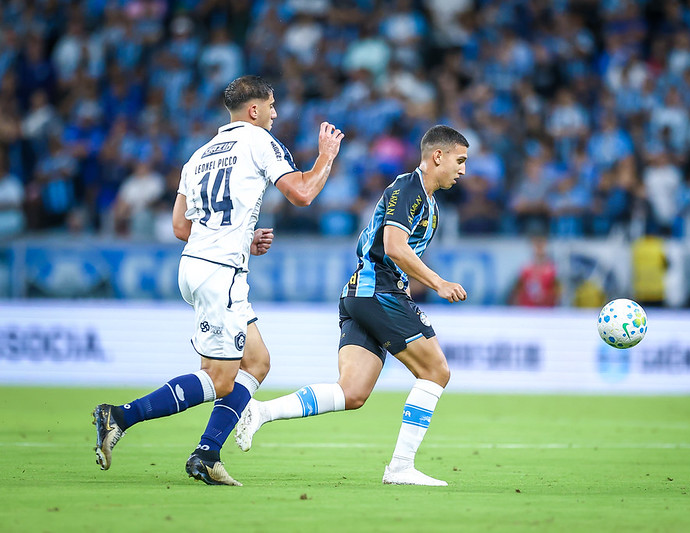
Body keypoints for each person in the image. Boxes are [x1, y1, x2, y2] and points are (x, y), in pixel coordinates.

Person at [92, 75, 344, 486]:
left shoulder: (199, 155)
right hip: (220, 273)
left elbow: (179, 225)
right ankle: (120, 416)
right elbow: (302, 193)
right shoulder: (259, 141)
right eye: (273, 105)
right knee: (219, 377)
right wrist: (326, 157)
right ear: (254, 109)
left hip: (198, 264)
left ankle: (208, 453)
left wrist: (242, 241)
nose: (276, 113)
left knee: (257, 362)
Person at [235, 125, 469, 487]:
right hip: (380, 292)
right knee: (436, 371)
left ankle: (260, 411)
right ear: (437, 156)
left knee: (352, 392)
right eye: (460, 160)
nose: (463, 169)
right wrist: (438, 282)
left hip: (361, 293)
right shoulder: (410, 189)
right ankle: (400, 467)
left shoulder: (426, 199)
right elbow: (393, 246)